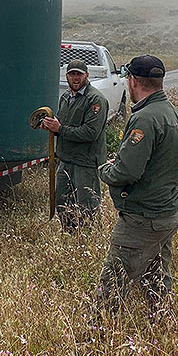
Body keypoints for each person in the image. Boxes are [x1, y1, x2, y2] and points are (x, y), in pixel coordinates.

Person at [93, 54, 178, 324]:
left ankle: (98, 337)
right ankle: (162, 324)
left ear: (133, 81)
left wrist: (105, 170)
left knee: (113, 281)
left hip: (143, 218)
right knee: (156, 274)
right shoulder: (173, 114)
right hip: (167, 212)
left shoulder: (145, 119)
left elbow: (127, 172)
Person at [40, 59, 109, 232]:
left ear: (87, 75)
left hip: (85, 162)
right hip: (66, 159)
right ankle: (70, 236)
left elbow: (90, 133)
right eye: (72, 74)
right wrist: (51, 127)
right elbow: (62, 124)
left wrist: (60, 129)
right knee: (62, 203)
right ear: (67, 76)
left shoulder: (95, 100)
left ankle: (90, 239)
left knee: (87, 206)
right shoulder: (66, 97)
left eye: (79, 74)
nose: (75, 78)